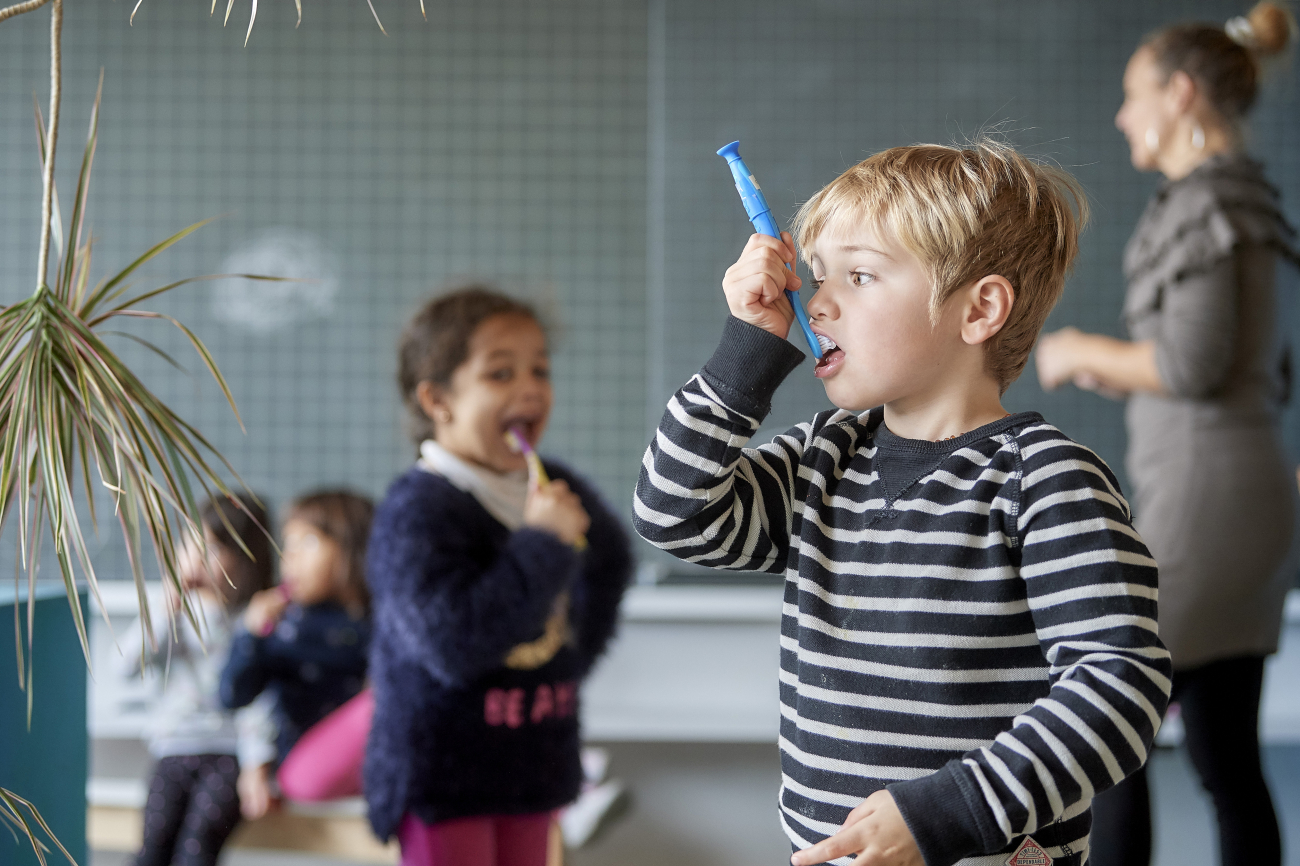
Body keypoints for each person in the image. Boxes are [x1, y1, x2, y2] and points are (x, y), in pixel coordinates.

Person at [633, 140, 1173, 866]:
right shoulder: (822, 458)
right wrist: (744, 354)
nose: (815, 303)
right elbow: (675, 513)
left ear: (979, 309)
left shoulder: (1048, 480)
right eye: (819, 277)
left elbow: (1121, 685)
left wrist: (951, 811)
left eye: (858, 276)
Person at [1034, 6, 1299, 866]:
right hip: (1230, 488)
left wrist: (1079, 350)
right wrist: (1127, 366)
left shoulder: (1212, 200)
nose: (1120, 115)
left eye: (1132, 93)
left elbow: (1189, 364)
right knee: (1223, 753)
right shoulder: (1234, 196)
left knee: (1106, 720)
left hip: (1208, 502)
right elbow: (1235, 365)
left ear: (1181, 94)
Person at [365, 286, 632, 866]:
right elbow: (450, 642)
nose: (530, 387)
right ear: (438, 401)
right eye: (500, 374)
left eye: (539, 368)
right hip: (445, 779)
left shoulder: (555, 484)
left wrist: (565, 656)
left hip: (534, 763)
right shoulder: (417, 510)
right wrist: (541, 544)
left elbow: (611, 564)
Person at [122, 493, 276, 866]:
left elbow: (261, 700)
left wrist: (257, 767)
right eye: (191, 544)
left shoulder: (253, 622)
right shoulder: (172, 617)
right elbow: (124, 667)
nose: (195, 556)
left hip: (226, 755)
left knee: (197, 846)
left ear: (243, 560)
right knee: (153, 845)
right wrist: (166, 610)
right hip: (172, 749)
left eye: (211, 548)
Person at [219, 490, 374, 819]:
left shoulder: (376, 622)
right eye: (287, 544)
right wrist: (250, 635)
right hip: (300, 769)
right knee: (390, 697)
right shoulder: (285, 626)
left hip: (363, 770)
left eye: (308, 543)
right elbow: (230, 695)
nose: (290, 557)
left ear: (351, 549)